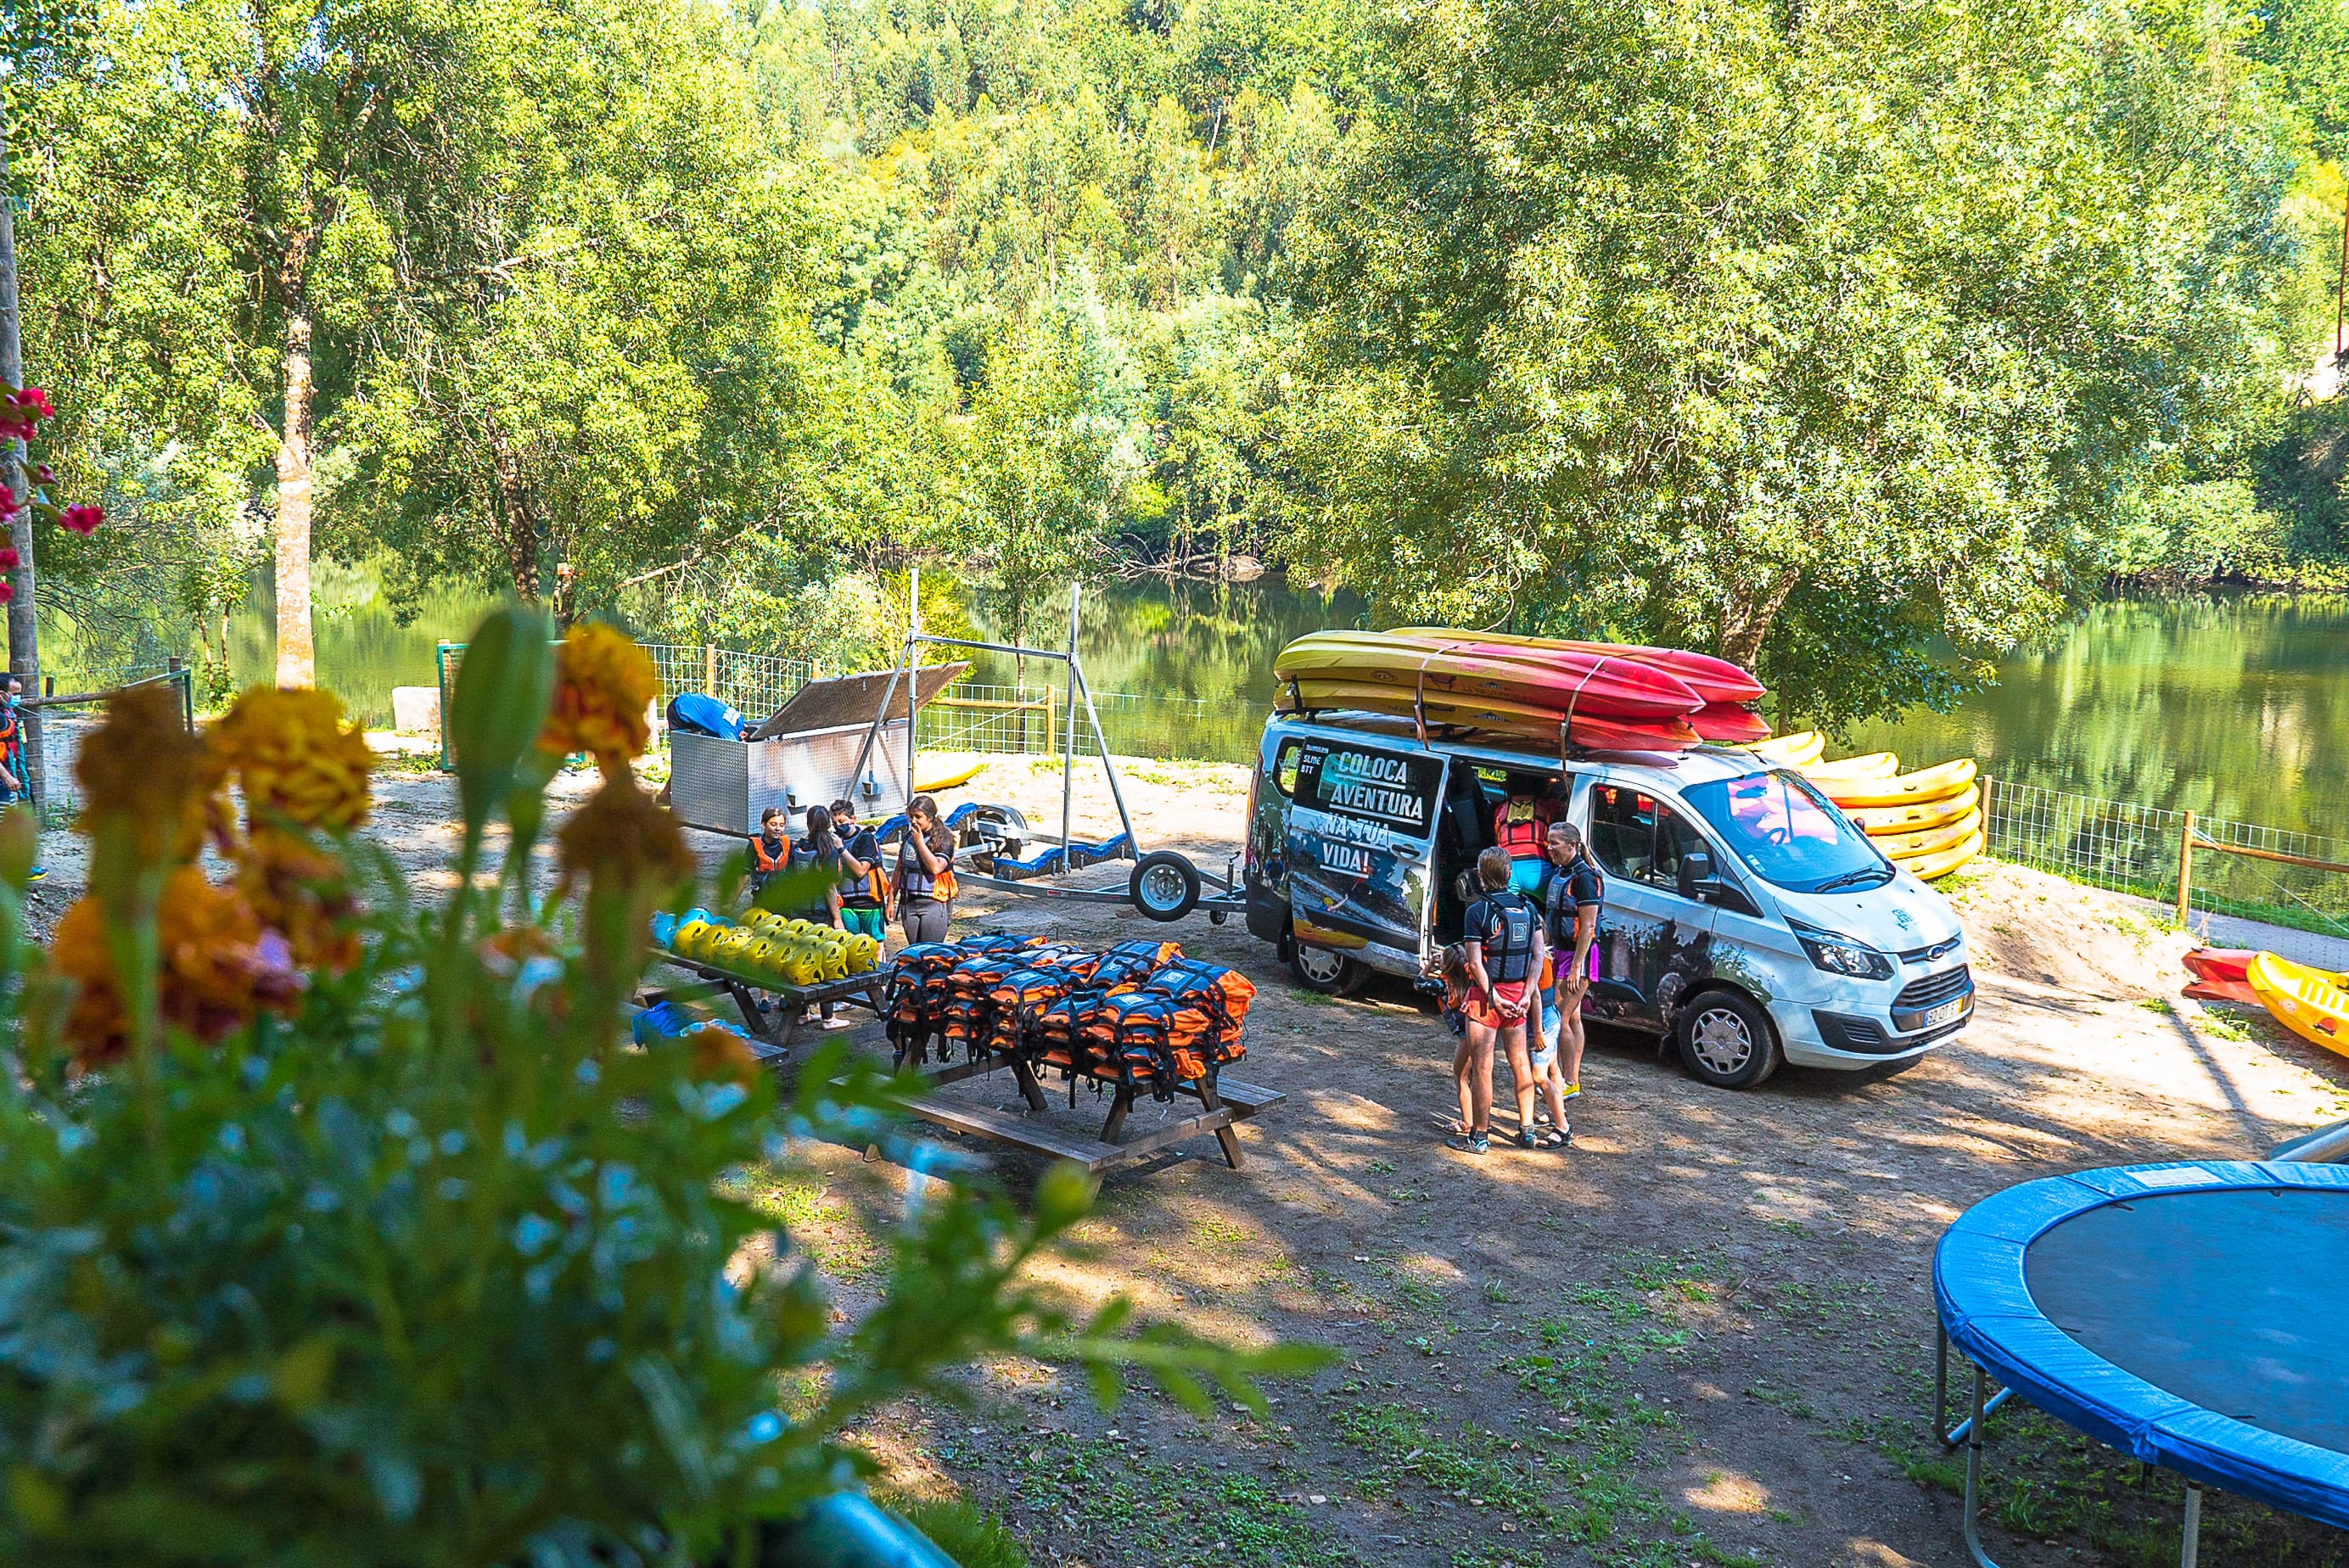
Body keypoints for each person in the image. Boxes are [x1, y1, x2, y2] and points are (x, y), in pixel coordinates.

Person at [1450, 846, 1554, 1153]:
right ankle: (1527, 1130)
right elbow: (1538, 956)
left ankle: (1479, 1138)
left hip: (1485, 1001)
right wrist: (1527, 993)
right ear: (1509, 874)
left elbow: (1474, 963)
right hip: (1518, 997)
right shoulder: (1529, 909)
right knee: (1520, 1062)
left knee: (1483, 1067)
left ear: (1482, 876)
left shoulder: (1477, 912)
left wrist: (1492, 996)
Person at [1542, 820, 1605, 1106]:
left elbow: (1588, 927)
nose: (1549, 847)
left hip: (1578, 956)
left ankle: (1567, 1081)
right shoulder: (1561, 873)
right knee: (1574, 1017)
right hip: (1560, 952)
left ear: (1572, 845)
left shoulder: (1584, 879)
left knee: (1560, 1018)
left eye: (1554, 843)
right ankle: (1571, 1079)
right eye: (1548, 842)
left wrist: (1576, 968)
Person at [895, 793, 956, 944]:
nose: (913, 821)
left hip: (934, 903)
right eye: (911, 816)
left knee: (930, 951)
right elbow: (899, 869)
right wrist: (891, 900)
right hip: (910, 903)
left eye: (918, 817)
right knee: (914, 950)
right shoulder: (909, 837)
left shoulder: (944, 839)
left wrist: (920, 842)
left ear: (930, 817)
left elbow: (936, 867)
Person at [829, 797, 889, 943]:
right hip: (846, 904)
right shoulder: (834, 841)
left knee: (875, 945)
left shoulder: (866, 839)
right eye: (834, 823)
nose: (838, 826)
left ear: (853, 819)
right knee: (850, 944)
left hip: (870, 903)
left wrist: (841, 849)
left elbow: (861, 871)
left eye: (841, 821)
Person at [1491, 778, 1558, 893]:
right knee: (1552, 901)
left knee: (1506, 903)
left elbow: (1497, 838)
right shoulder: (1547, 806)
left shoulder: (1500, 809)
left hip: (1507, 868)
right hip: (1537, 869)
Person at [748, 807, 788, 897]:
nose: (778, 829)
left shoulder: (787, 843)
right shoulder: (754, 845)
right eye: (773, 824)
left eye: (782, 825)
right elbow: (744, 874)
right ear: (763, 825)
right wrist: (731, 902)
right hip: (762, 897)